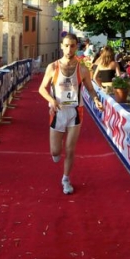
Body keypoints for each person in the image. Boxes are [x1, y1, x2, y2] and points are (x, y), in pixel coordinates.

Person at [38, 33, 103, 195]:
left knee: (70, 149)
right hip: (58, 111)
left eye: (72, 46)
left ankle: (66, 179)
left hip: (75, 111)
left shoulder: (82, 68)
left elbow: (90, 89)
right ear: (61, 46)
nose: (69, 49)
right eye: (66, 45)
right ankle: (56, 154)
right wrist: (52, 101)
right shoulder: (53, 67)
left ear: (76, 47)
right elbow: (41, 89)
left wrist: (95, 100)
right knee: (55, 151)